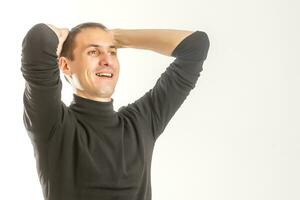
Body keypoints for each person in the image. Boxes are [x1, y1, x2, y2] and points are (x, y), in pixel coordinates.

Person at [21, 22, 210, 200]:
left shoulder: (141, 122)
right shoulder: (53, 124)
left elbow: (195, 46)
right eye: (93, 51)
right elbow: (40, 39)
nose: (107, 60)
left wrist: (118, 38)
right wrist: (63, 34)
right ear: (64, 65)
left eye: (112, 52)